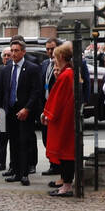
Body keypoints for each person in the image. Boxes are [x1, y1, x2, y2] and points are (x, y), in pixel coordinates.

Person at [1, 38, 43, 186]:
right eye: (11, 51)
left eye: (16, 51)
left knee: (24, 142)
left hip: (25, 111)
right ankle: (16, 171)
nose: (13, 54)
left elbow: (36, 91)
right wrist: (1, 110)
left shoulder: (31, 68)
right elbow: (2, 91)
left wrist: (27, 108)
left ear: (23, 52)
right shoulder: (6, 69)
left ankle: (25, 173)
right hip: (10, 111)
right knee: (13, 142)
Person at [41, 41, 77, 197]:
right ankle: (65, 183)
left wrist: (47, 114)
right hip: (66, 119)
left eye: (55, 57)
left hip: (63, 121)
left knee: (65, 153)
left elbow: (58, 98)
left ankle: (66, 186)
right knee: (66, 152)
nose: (54, 60)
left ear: (61, 56)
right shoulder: (68, 73)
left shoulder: (67, 75)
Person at [39, 38, 59, 176]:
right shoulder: (45, 64)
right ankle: (52, 163)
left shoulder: (62, 65)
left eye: (52, 49)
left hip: (57, 107)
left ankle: (58, 166)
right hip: (45, 106)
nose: (50, 52)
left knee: (56, 138)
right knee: (46, 138)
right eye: (48, 49)